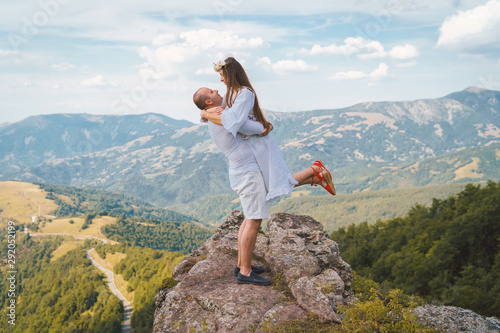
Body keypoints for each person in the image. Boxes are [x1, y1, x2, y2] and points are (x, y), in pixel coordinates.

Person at [192, 58, 335, 286]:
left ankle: (242, 264)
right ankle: (245, 272)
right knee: (253, 221)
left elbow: (235, 122)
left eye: (220, 77)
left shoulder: (219, 114)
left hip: (244, 171)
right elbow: (251, 127)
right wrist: (262, 127)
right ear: (209, 101)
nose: (218, 85)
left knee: (249, 218)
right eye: (212, 90)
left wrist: (206, 114)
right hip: (247, 173)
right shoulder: (220, 116)